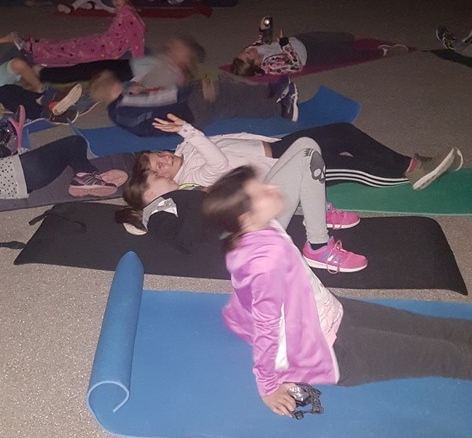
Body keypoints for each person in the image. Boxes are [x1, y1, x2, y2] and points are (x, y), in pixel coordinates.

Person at [201, 166, 472, 416]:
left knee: (426, 326)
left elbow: (246, 296)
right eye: (262, 191)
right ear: (246, 217)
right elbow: (265, 325)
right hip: (333, 350)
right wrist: (267, 386)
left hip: (332, 312)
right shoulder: (265, 263)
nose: (271, 187)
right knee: (444, 355)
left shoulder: (253, 230)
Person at [122, 114, 368, 273]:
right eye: (158, 176)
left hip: (253, 214)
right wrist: (205, 198)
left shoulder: (182, 191)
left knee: (306, 146)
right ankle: (318, 246)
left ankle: (318, 213)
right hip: (249, 239)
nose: (165, 175)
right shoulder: (160, 209)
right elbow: (186, 241)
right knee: (305, 156)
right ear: (149, 194)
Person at [19, 0, 146, 66]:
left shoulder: (127, 15)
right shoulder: (125, 12)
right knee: (72, 44)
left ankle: (36, 51)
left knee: (71, 50)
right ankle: (39, 46)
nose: (116, 0)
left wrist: (138, 63)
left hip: (107, 50)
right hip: (103, 43)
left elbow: (137, 39)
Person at [231, 17, 308, 77]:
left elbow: (262, 42)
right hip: (301, 52)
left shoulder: (255, 51)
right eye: (248, 52)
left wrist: (263, 30)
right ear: (255, 63)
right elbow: (297, 67)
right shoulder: (271, 66)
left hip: (292, 41)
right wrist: (285, 45)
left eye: (243, 50)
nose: (247, 49)